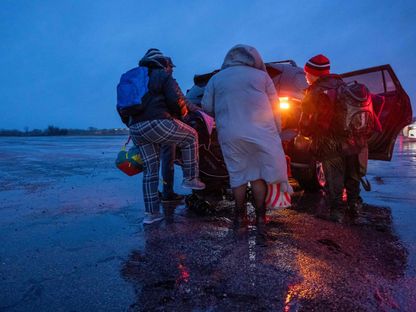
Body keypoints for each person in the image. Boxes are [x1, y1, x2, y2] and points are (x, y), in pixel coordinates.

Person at [201, 44, 290, 237]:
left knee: (238, 174)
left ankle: (239, 217)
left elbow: (207, 107)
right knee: (258, 175)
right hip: (261, 132)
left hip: (230, 132)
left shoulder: (216, 79)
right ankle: (260, 217)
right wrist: (277, 131)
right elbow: (275, 107)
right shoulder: (262, 77)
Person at [128, 48, 205, 225]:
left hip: (136, 128)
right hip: (158, 121)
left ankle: (151, 214)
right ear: (163, 63)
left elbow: (122, 106)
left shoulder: (135, 78)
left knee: (150, 171)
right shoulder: (162, 75)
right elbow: (176, 101)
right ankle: (191, 178)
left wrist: (133, 124)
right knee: (191, 136)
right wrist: (181, 116)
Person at [299, 54, 367, 222]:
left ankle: (336, 213)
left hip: (329, 141)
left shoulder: (315, 91)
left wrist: (304, 134)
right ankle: (355, 209)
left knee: (334, 177)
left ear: (314, 73)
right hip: (353, 140)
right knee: (353, 175)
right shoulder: (345, 86)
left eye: (307, 73)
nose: (306, 76)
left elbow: (307, 122)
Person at [159, 57, 201, 203]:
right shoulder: (167, 80)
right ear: (166, 66)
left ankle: (155, 200)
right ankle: (170, 192)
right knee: (168, 161)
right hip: (167, 123)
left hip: (149, 125)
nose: (172, 70)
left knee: (156, 164)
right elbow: (181, 100)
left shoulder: (148, 80)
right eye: (171, 67)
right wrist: (196, 112)